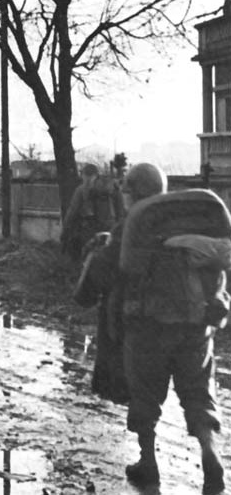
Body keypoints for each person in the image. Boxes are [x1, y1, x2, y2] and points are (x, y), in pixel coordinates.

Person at [76, 163, 229, 494]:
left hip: (148, 326)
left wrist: (88, 280)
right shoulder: (194, 223)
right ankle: (210, 453)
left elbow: (100, 275)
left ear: (135, 193)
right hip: (197, 325)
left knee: (145, 395)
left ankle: (148, 462)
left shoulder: (133, 225)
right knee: (198, 392)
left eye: (128, 192)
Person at [61, 163, 123, 261]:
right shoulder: (114, 188)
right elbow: (121, 211)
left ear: (84, 175)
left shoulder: (81, 190)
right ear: (97, 174)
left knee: (87, 257)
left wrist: (65, 230)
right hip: (111, 228)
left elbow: (72, 212)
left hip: (90, 230)